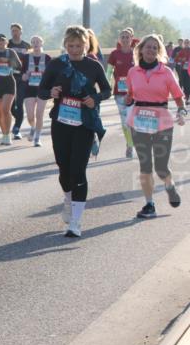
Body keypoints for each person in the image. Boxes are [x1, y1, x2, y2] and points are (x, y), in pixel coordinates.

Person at [38, 25, 111, 238]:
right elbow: (41, 90)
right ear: (65, 45)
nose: (75, 49)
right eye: (70, 45)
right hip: (61, 123)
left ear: (86, 45)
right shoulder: (56, 64)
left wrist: (95, 98)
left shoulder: (93, 66)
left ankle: (76, 222)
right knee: (64, 168)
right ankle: (68, 199)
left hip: (84, 124)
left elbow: (107, 90)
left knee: (78, 170)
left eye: (79, 46)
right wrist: (51, 92)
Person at [124, 34, 186, 218]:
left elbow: (178, 95)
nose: (150, 50)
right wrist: (128, 99)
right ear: (141, 50)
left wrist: (181, 110)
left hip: (162, 123)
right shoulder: (133, 72)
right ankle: (149, 204)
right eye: (148, 47)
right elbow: (130, 94)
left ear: (158, 51)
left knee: (161, 167)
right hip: (139, 122)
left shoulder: (165, 72)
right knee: (145, 166)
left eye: (154, 47)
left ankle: (169, 186)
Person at [107, 28, 138, 159]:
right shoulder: (114, 54)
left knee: (133, 120)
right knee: (124, 121)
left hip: (135, 93)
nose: (125, 39)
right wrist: (107, 84)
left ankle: (134, 141)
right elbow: (109, 72)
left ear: (131, 39)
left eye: (127, 37)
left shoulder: (137, 54)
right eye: (123, 37)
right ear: (119, 39)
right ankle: (130, 145)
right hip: (119, 93)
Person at [20, 35, 51, 146]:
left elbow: (52, 75)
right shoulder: (26, 58)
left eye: (38, 41)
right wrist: (25, 75)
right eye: (33, 42)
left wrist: (46, 76)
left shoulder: (47, 58)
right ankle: (33, 127)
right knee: (30, 116)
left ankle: (37, 137)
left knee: (39, 114)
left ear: (42, 43)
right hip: (29, 89)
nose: (36, 43)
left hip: (43, 90)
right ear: (31, 45)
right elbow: (22, 76)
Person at [7, 23, 32, 139]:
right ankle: (18, 119)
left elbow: (31, 61)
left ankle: (17, 128)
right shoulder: (7, 44)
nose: (14, 33)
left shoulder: (27, 46)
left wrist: (28, 73)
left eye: (16, 30)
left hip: (22, 78)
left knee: (19, 102)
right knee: (11, 105)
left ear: (21, 32)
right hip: (9, 77)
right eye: (12, 31)